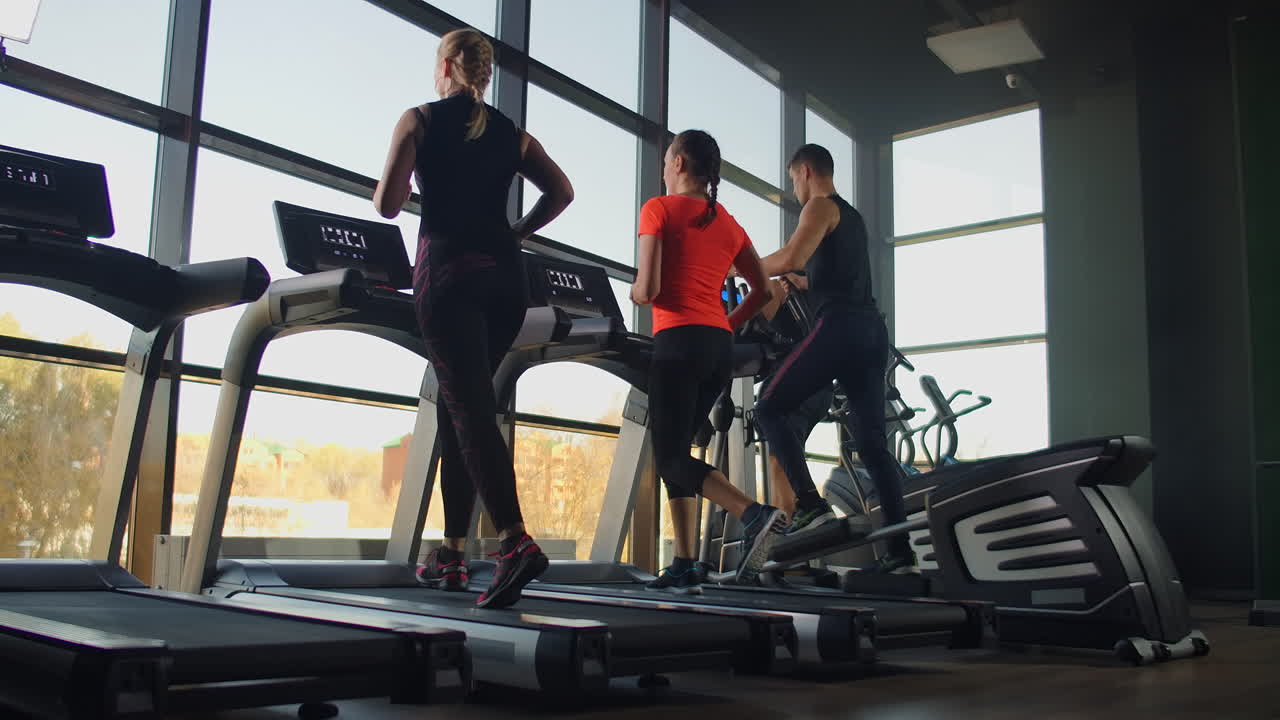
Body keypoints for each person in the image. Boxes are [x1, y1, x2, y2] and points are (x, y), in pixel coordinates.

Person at [373, 28, 574, 607]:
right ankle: (452, 553)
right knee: (461, 407)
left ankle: (514, 540)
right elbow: (561, 191)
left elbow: (387, 204)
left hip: (449, 275)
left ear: (444, 67)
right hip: (507, 280)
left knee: (470, 409)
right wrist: (517, 232)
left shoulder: (419, 119)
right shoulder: (512, 133)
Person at [631, 129, 786, 594]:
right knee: (676, 454)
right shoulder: (728, 223)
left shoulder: (658, 209)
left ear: (679, 163)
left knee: (671, 457)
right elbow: (764, 290)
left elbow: (649, 289)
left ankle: (753, 514)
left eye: (666, 159)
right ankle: (684, 562)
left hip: (677, 343)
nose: (663, 167)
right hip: (718, 349)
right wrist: (726, 323)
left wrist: (634, 292)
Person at [753, 144, 913, 574]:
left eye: (793, 180)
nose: (795, 189)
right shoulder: (852, 217)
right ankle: (902, 555)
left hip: (840, 329)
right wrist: (803, 283)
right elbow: (829, 275)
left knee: (767, 407)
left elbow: (791, 256)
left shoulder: (820, 206)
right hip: (871, 333)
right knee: (873, 446)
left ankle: (810, 504)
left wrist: (741, 267)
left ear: (806, 171)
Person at [756, 273, 835, 523]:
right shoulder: (821, 295)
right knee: (785, 457)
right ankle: (792, 525)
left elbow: (753, 321)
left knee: (780, 462)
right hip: (820, 389)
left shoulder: (777, 288)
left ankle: (796, 523)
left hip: (795, 388)